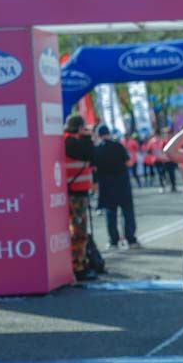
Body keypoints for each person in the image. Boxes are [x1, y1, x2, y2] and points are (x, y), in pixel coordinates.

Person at [93, 125, 140, 250]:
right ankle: (131, 239)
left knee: (110, 214)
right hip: (122, 183)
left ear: (98, 135)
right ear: (109, 133)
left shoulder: (97, 149)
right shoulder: (118, 146)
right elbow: (129, 162)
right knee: (127, 212)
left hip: (106, 186)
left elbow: (94, 168)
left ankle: (113, 241)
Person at [63, 114, 97, 281]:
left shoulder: (71, 140)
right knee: (78, 231)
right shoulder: (69, 141)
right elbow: (88, 154)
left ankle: (80, 262)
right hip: (74, 193)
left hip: (78, 192)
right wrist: (86, 137)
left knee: (79, 230)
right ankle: (78, 266)